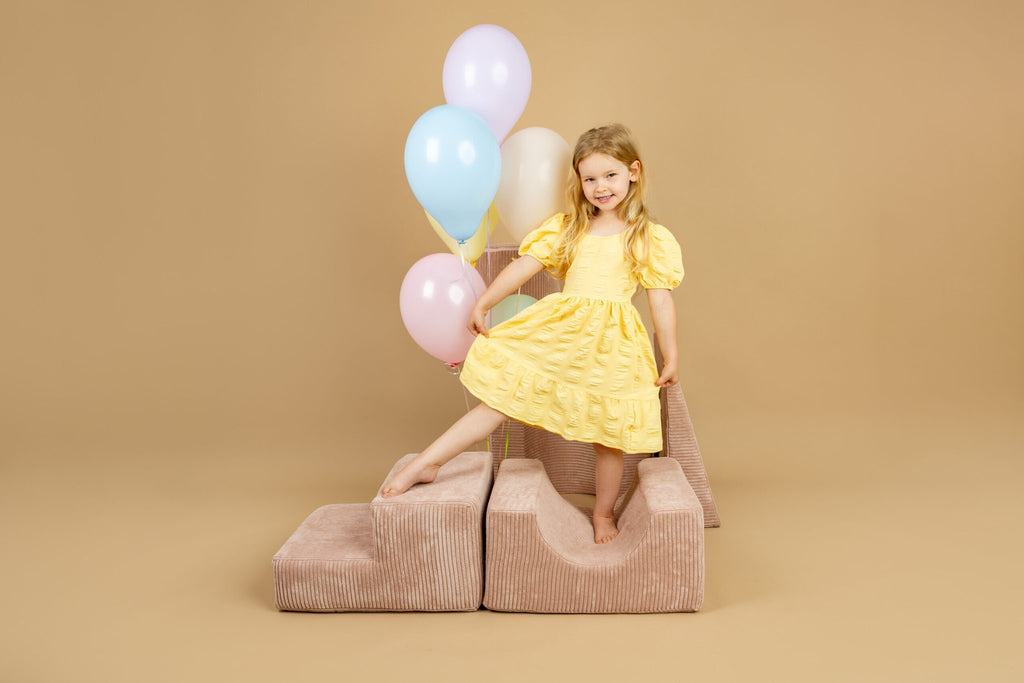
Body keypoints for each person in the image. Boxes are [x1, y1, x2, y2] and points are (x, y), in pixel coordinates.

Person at [382, 123, 684, 544]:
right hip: (561, 332)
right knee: (498, 400)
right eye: (590, 178)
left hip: (612, 344)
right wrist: (484, 301)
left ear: (633, 172)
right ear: (579, 181)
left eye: (610, 175)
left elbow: (660, 299)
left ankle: (602, 513)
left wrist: (669, 354)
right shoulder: (571, 227)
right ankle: (426, 464)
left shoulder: (648, 237)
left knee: (609, 436)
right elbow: (527, 265)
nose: (601, 187)